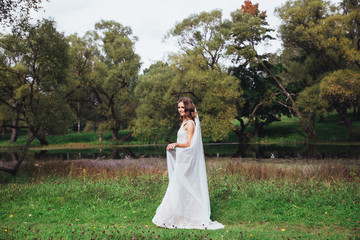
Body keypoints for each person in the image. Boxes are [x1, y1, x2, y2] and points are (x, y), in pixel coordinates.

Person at [152, 97, 224, 230]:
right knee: (181, 187)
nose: (180, 110)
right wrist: (175, 149)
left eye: (182, 108)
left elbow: (190, 144)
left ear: (188, 108)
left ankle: (179, 217)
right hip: (181, 159)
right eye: (179, 107)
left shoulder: (190, 123)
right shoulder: (184, 122)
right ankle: (178, 216)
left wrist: (176, 144)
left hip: (185, 162)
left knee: (178, 186)